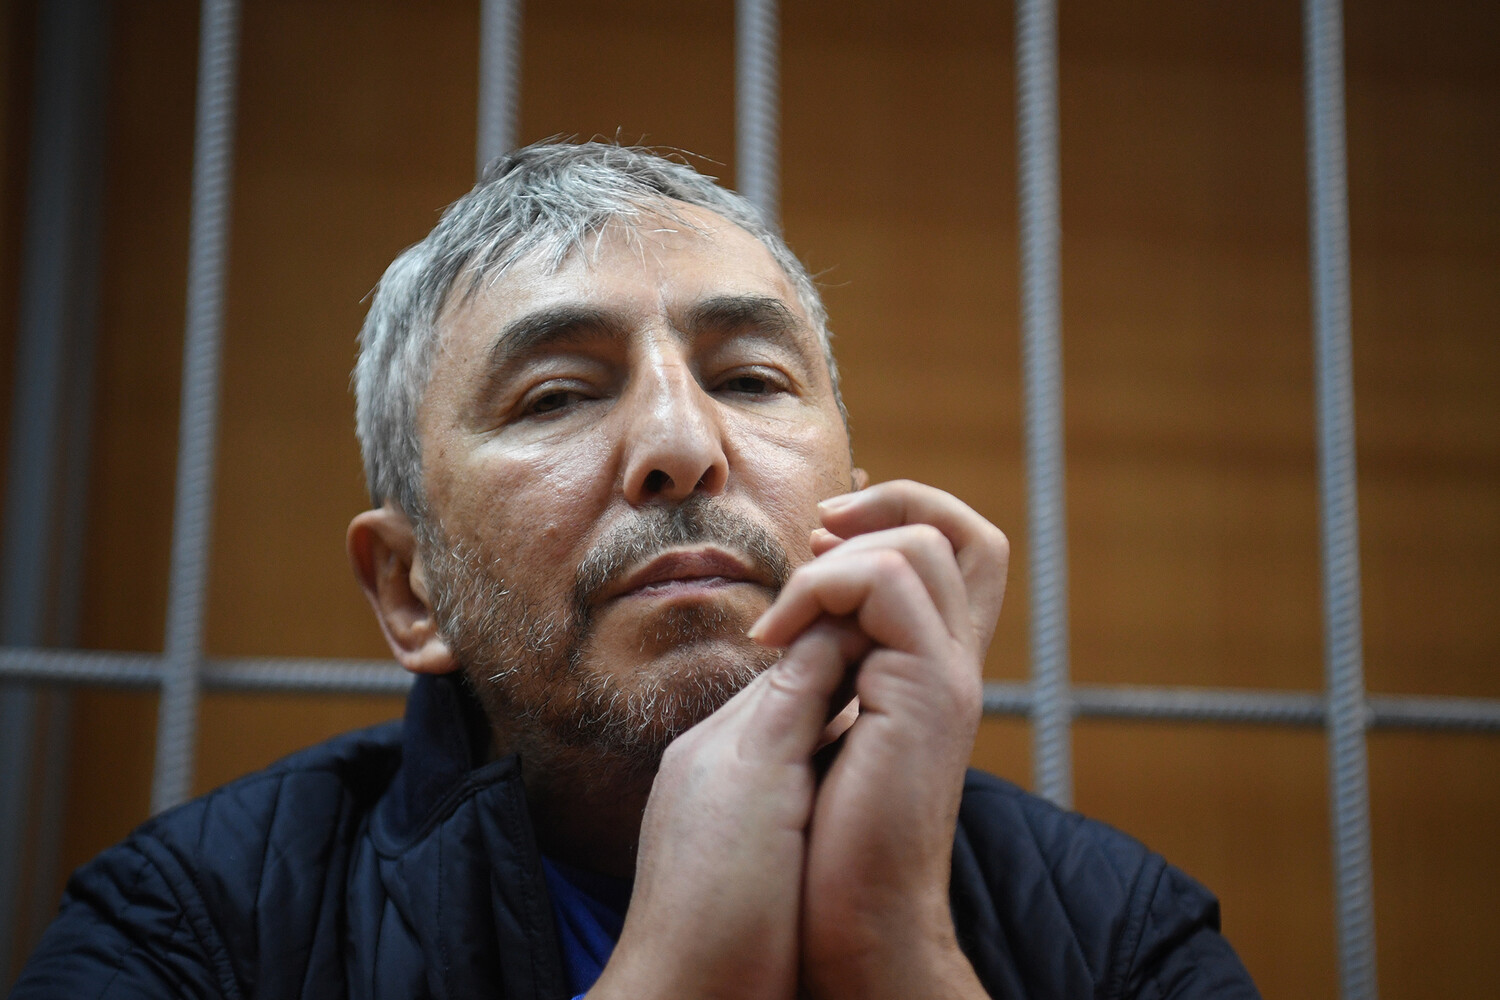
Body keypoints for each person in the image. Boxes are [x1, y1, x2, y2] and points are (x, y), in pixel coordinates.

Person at [12, 140, 1259, 999]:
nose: (680, 442)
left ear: (854, 505)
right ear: (409, 586)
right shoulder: (187, 928)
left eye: (751, 379)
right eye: (557, 395)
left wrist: (894, 945)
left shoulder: (1119, 933)